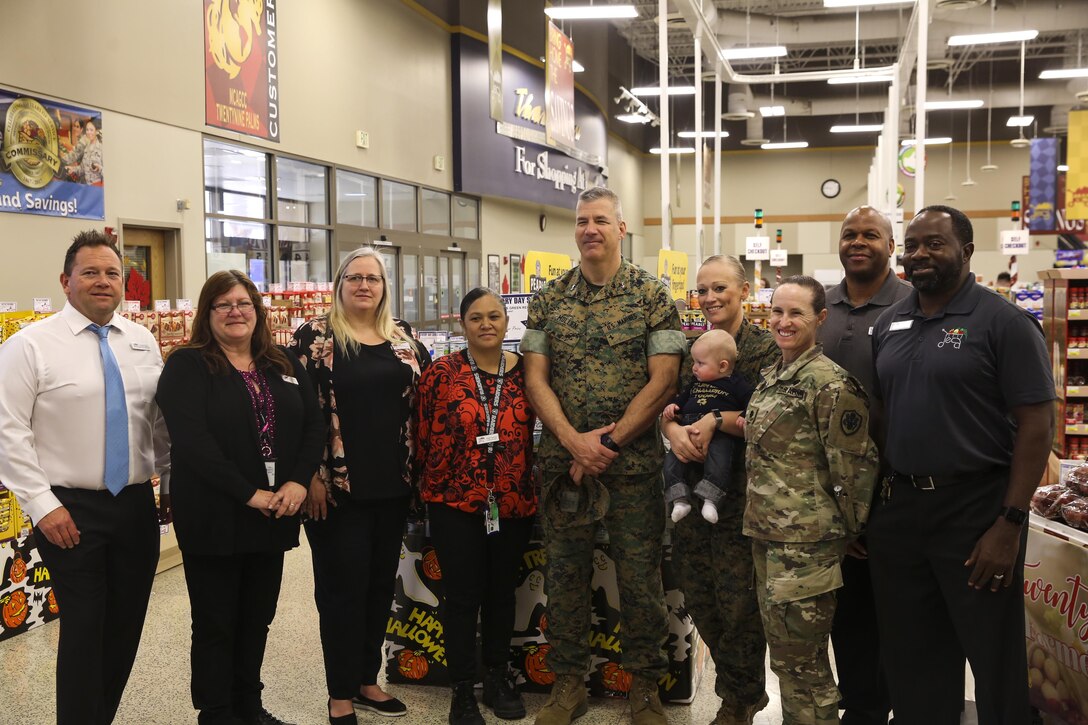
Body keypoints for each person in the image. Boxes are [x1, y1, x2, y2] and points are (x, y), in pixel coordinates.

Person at [869, 206, 1055, 725]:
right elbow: (883, 415)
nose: (920, 255)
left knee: (992, 655)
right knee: (912, 655)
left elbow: (1038, 426)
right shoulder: (890, 323)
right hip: (901, 510)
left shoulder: (1004, 322)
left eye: (935, 244)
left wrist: (1010, 523)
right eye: (912, 244)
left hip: (977, 511)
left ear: (967, 252)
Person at [522, 186, 685, 725]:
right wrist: (573, 441)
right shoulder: (549, 299)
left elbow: (664, 379)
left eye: (600, 220)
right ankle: (567, 687)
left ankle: (645, 690)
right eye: (581, 221)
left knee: (641, 583)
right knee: (565, 579)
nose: (590, 229)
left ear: (621, 228)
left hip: (632, 471)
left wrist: (607, 445)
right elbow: (534, 377)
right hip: (564, 468)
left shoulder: (653, 296)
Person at [0, 230, 169, 725]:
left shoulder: (140, 339)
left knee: (125, 624)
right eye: (90, 272)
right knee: (85, 624)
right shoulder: (29, 345)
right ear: (66, 281)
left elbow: (157, 423)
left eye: (112, 272)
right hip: (69, 510)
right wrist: (42, 504)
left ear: (124, 282)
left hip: (136, 503)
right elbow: (8, 431)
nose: (102, 281)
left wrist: (177, 477)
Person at [156, 270, 325, 725]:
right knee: (215, 623)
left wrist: (297, 480)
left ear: (258, 311)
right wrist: (249, 493)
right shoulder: (186, 365)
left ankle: (249, 705)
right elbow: (193, 442)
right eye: (224, 304)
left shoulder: (282, 362)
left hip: (273, 514)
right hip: (214, 514)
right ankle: (216, 712)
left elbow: (314, 424)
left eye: (244, 303)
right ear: (207, 314)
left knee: (256, 618)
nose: (235, 312)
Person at [288, 247, 431, 725]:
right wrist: (308, 475)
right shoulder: (314, 337)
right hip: (335, 490)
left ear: (384, 286)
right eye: (355, 278)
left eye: (373, 278)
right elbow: (297, 414)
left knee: (376, 589)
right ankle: (339, 694)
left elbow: (424, 404)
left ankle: (368, 681)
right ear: (339, 284)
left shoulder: (404, 338)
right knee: (340, 592)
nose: (364, 285)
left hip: (393, 486)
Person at [745, 275, 879, 725]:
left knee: (806, 665)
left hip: (806, 545)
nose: (783, 322)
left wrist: (849, 529)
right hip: (768, 536)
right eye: (777, 312)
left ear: (820, 318)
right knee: (785, 660)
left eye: (796, 313)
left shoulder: (830, 384)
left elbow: (855, 466)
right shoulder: (774, 377)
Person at [660, 254, 779, 725]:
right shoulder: (695, 350)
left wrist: (715, 421)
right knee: (701, 601)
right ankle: (737, 689)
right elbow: (668, 406)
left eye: (720, 289)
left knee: (739, 608)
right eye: (702, 290)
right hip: (689, 501)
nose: (709, 298)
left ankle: (741, 699)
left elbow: (768, 421)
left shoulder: (765, 350)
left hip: (740, 505)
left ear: (744, 291)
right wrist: (671, 432)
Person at [414, 288, 537, 725]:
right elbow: (422, 435)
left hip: (512, 501)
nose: (486, 324)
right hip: (453, 503)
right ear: (461, 325)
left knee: (502, 594)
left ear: (508, 322)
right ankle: (463, 690)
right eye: (476, 318)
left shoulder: (530, 374)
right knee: (463, 598)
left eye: (494, 316)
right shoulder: (441, 374)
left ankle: (498, 678)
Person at [819, 206, 912, 725]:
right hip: (827, 493)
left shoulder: (913, 304)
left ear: (890, 245)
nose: (859, 242)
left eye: (870, 234)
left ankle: (898, 704)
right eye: (850, 234)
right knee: (848, 616)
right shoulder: (818, 308)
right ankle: (862, 709)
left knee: (897, 614)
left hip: (896, 489)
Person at [661, 328, 753, 525]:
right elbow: (681, 400)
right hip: (687, 429)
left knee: (719, 463)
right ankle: (679, 499)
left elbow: (751, 400)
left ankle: (710, 500)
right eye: (694, 362)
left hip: (720, 434)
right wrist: (673, 409)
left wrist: (745, 415)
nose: (694, 368)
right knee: (671, 463)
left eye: (700, 363)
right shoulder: (695, 382)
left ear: (722, 366)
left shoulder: (736, 383)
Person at [63, 118, 103, 185]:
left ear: (96, 131)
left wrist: (100, 169)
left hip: (98, 188)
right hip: (87, 188)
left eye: (91, 130)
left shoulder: (102, 148)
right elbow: (82, 168)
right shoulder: (87, 149)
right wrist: (73, 169)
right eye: (87, 130)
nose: (88, 132)